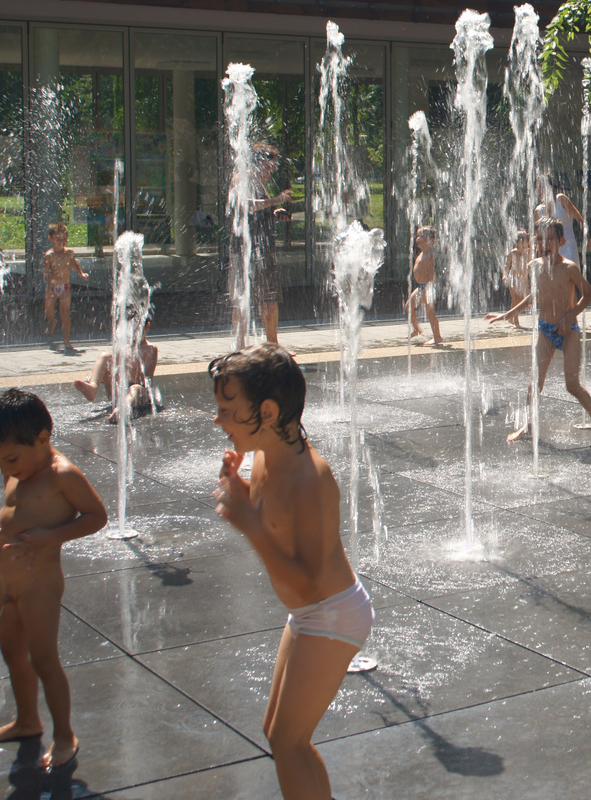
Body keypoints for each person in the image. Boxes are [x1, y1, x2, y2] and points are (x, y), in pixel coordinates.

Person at [209, 345, 373, 800]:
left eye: (226, 409)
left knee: (288, 739)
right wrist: (243, 492)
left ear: (266, 411)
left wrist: (251, 524)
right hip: (309, 613)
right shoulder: (263, 455)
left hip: (333, 614)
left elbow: (307, 581)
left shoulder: (311, 479)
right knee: (277, 732)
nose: (217, 419)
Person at [0, 389, 109, 769]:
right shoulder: (20, 470)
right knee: (12, 653)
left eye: (10, 458)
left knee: (45, 660)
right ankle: (27, 720)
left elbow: (97, 516)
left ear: (43, 438)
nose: (4, 468)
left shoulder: (62, 475)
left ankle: (65, 735)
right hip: (8, 584)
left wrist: (51, 537)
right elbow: (9, 512)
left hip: (39, 585)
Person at [487, 219, 591, 443]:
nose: (545, 243)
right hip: (545, 329)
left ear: (561, 241)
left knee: (571, 384)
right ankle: (529, 426)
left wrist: (570, 315)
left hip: (568, 329)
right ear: (535, 241)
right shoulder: (534, 266)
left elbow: (588, 294)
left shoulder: (569, 268)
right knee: (534, 383)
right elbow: (533, 297)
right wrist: (507, 314)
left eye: (550, 238)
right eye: (540, 238)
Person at [232, 143, 292, 347]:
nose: (274, 169)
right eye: (271, 164)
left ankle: (273, 345)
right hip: (245, 250)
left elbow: (259, 210)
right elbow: (246, 205)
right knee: (243, 298)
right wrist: (275, 200)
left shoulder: (258, 182)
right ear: (260, 162)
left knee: (270, 297)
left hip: (264, 248)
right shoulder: (242, 178)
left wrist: (274, 213)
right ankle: (240, 346)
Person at [73, 320, 159, 422]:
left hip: (140, 396)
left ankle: (122, 409)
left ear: (147, 327)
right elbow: (116, 373)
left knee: (135, 388)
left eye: (138, 330)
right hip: (120, 392)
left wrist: (128, 368)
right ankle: (93, 387)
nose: (134, 334)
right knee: (106, 356)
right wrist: (103, 375)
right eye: (131, 330)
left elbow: (145, 379)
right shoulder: (123, 348)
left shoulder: (150, 349)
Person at [42, 223, 89, 352]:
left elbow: (75, 265)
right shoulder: (49, 255)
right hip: (52, 288)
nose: (61, 242)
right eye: (58, 239)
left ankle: (67, 340)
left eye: (64, 239)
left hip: (65, 287)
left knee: (65, 313)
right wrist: (49, 279)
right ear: (50, 239)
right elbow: (45, 272)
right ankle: (52, 322)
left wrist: (81, 274)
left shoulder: (69, 253)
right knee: (49, 312)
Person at [406, 226, 446, 346]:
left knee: (430, 313)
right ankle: (417, 329)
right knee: (408, 306)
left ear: (431, 240)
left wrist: (429, 288)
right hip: (421, 287)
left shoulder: (429, 254)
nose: (418, 239)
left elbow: (431, 273)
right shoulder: (423, 253)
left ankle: (437, 337)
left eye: (422, 236)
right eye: (417, 236)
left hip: (427, 288)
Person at [534, 175, 583, 264]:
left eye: (542, 187)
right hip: (549, 250)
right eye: (537, 188)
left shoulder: (561, 199)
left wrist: (587, 238)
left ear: (551, 187)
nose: (539, 191)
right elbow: (537, 235)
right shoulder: (538, 211)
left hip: (568, 246)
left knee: (570, 274)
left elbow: (579, 218)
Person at [497, 230, 532, 328]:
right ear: (515, 244)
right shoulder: (513, 252)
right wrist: (504, 275)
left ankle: (511, 316)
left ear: (528, 243)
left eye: (524, 247)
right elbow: (506, 265)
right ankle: (516, 321)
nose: (521, 250)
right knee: (515, 299)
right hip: (514, 278)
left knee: (522, 299)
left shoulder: (529, 251)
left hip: (524, 279)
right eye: (519, 247)